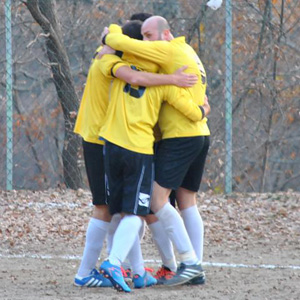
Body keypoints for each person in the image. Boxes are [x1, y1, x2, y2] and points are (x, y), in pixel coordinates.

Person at [73, 20, 199, 287]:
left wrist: (110, 35)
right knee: (112, 210)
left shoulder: (111, 61)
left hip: (108, 140)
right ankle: (95, 270)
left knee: (121, 210)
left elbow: (134, 73)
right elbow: (136, 78)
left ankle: (136, 271)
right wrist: (196, 103)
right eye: (143, 39)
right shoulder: (117, 66)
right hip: (106, 140)